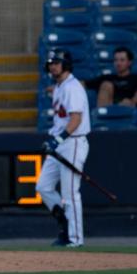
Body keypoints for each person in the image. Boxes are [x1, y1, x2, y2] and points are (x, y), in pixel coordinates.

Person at [36, 49, 90, 248]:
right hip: (60, 142)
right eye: (51, 62)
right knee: (43, 187)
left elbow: (76, 119)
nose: (53, 66)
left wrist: (58, 140)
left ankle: (75, 238)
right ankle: (65, 223)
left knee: (70, 193)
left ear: (66, 64)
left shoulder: (72, 87)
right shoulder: (59, 86)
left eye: (57, 62)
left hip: (73, 141)